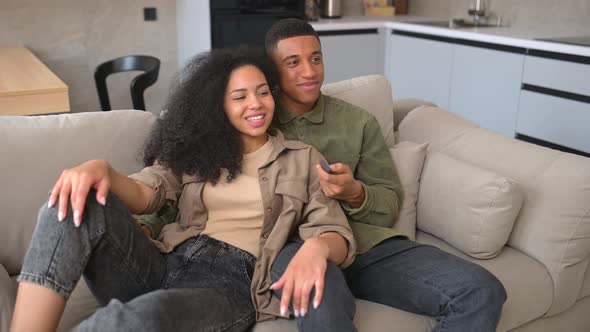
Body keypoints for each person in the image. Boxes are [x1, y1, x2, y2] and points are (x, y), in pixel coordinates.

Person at [10, 47, 357, 332]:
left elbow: (336, 231)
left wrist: (316, 247)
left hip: (230, 285)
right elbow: (148, 193)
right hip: (164, 262)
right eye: (240, 96)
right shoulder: (200, 152)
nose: (256, 104)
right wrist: (102, 171)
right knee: (77, 202)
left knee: (141, 318)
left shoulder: (302, 159)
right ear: (218, 107)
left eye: (263, 92)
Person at [264, 18, 507, 332]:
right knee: (321, 304)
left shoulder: (357, 122)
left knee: (482, 291)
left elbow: (390, 202)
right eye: (293, 62)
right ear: (272, 71)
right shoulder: (258, 119)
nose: (310, 72)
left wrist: (355, 192)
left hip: (368, 247)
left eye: (316, 58)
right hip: (296, 248)